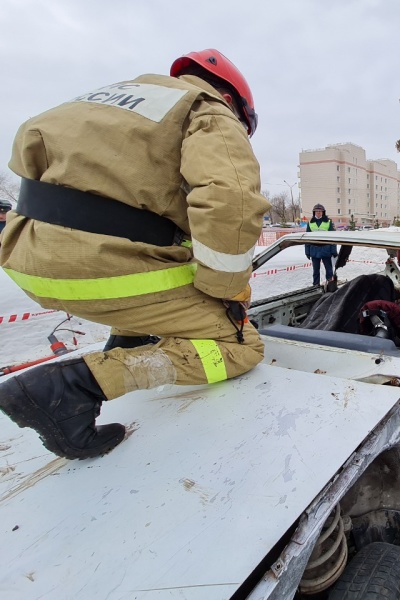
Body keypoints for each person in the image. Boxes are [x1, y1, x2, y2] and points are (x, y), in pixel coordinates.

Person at [0, 49, 270, 460]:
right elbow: (229, 203)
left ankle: (128, 337)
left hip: (25, 259)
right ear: (234, 101)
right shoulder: (207, 110)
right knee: (241, 346)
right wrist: (226, 292)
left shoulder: (104, 98)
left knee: (166, 273)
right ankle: (75, 386)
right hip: (100, 269)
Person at [305, 203, 338, 286]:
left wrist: (333, 250)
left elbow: (333, 237)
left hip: (326, 250)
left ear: (323, 212)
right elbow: (307, 238)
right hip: (314, 250)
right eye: (317, 211)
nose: (318, 213)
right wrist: (307, 251)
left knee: (329, 270)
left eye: (320, 211)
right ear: (314, 212)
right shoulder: (310, 223)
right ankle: (315, 287)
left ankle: (330, 286)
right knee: (316, 271)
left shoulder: (328, 222)